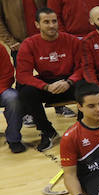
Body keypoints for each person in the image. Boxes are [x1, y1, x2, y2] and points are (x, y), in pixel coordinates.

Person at [16, 8, 84, 151]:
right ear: (37, 24)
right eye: (46, 22)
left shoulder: (72, 41)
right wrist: (45, 86)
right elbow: (23, 75)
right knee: (25, 91)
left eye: (54, 21)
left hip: (68, 82)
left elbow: (83, 67)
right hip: (46, 84)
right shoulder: (29, 44)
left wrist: (69, 82)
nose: (52, 25)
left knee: (88, 87)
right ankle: (47, 131)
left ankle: (82, 129)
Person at [0, 45, 24, 152]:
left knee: (13, 98)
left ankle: (13, 139)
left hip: (1, 90)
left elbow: (8, 75)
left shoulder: (0, 48)